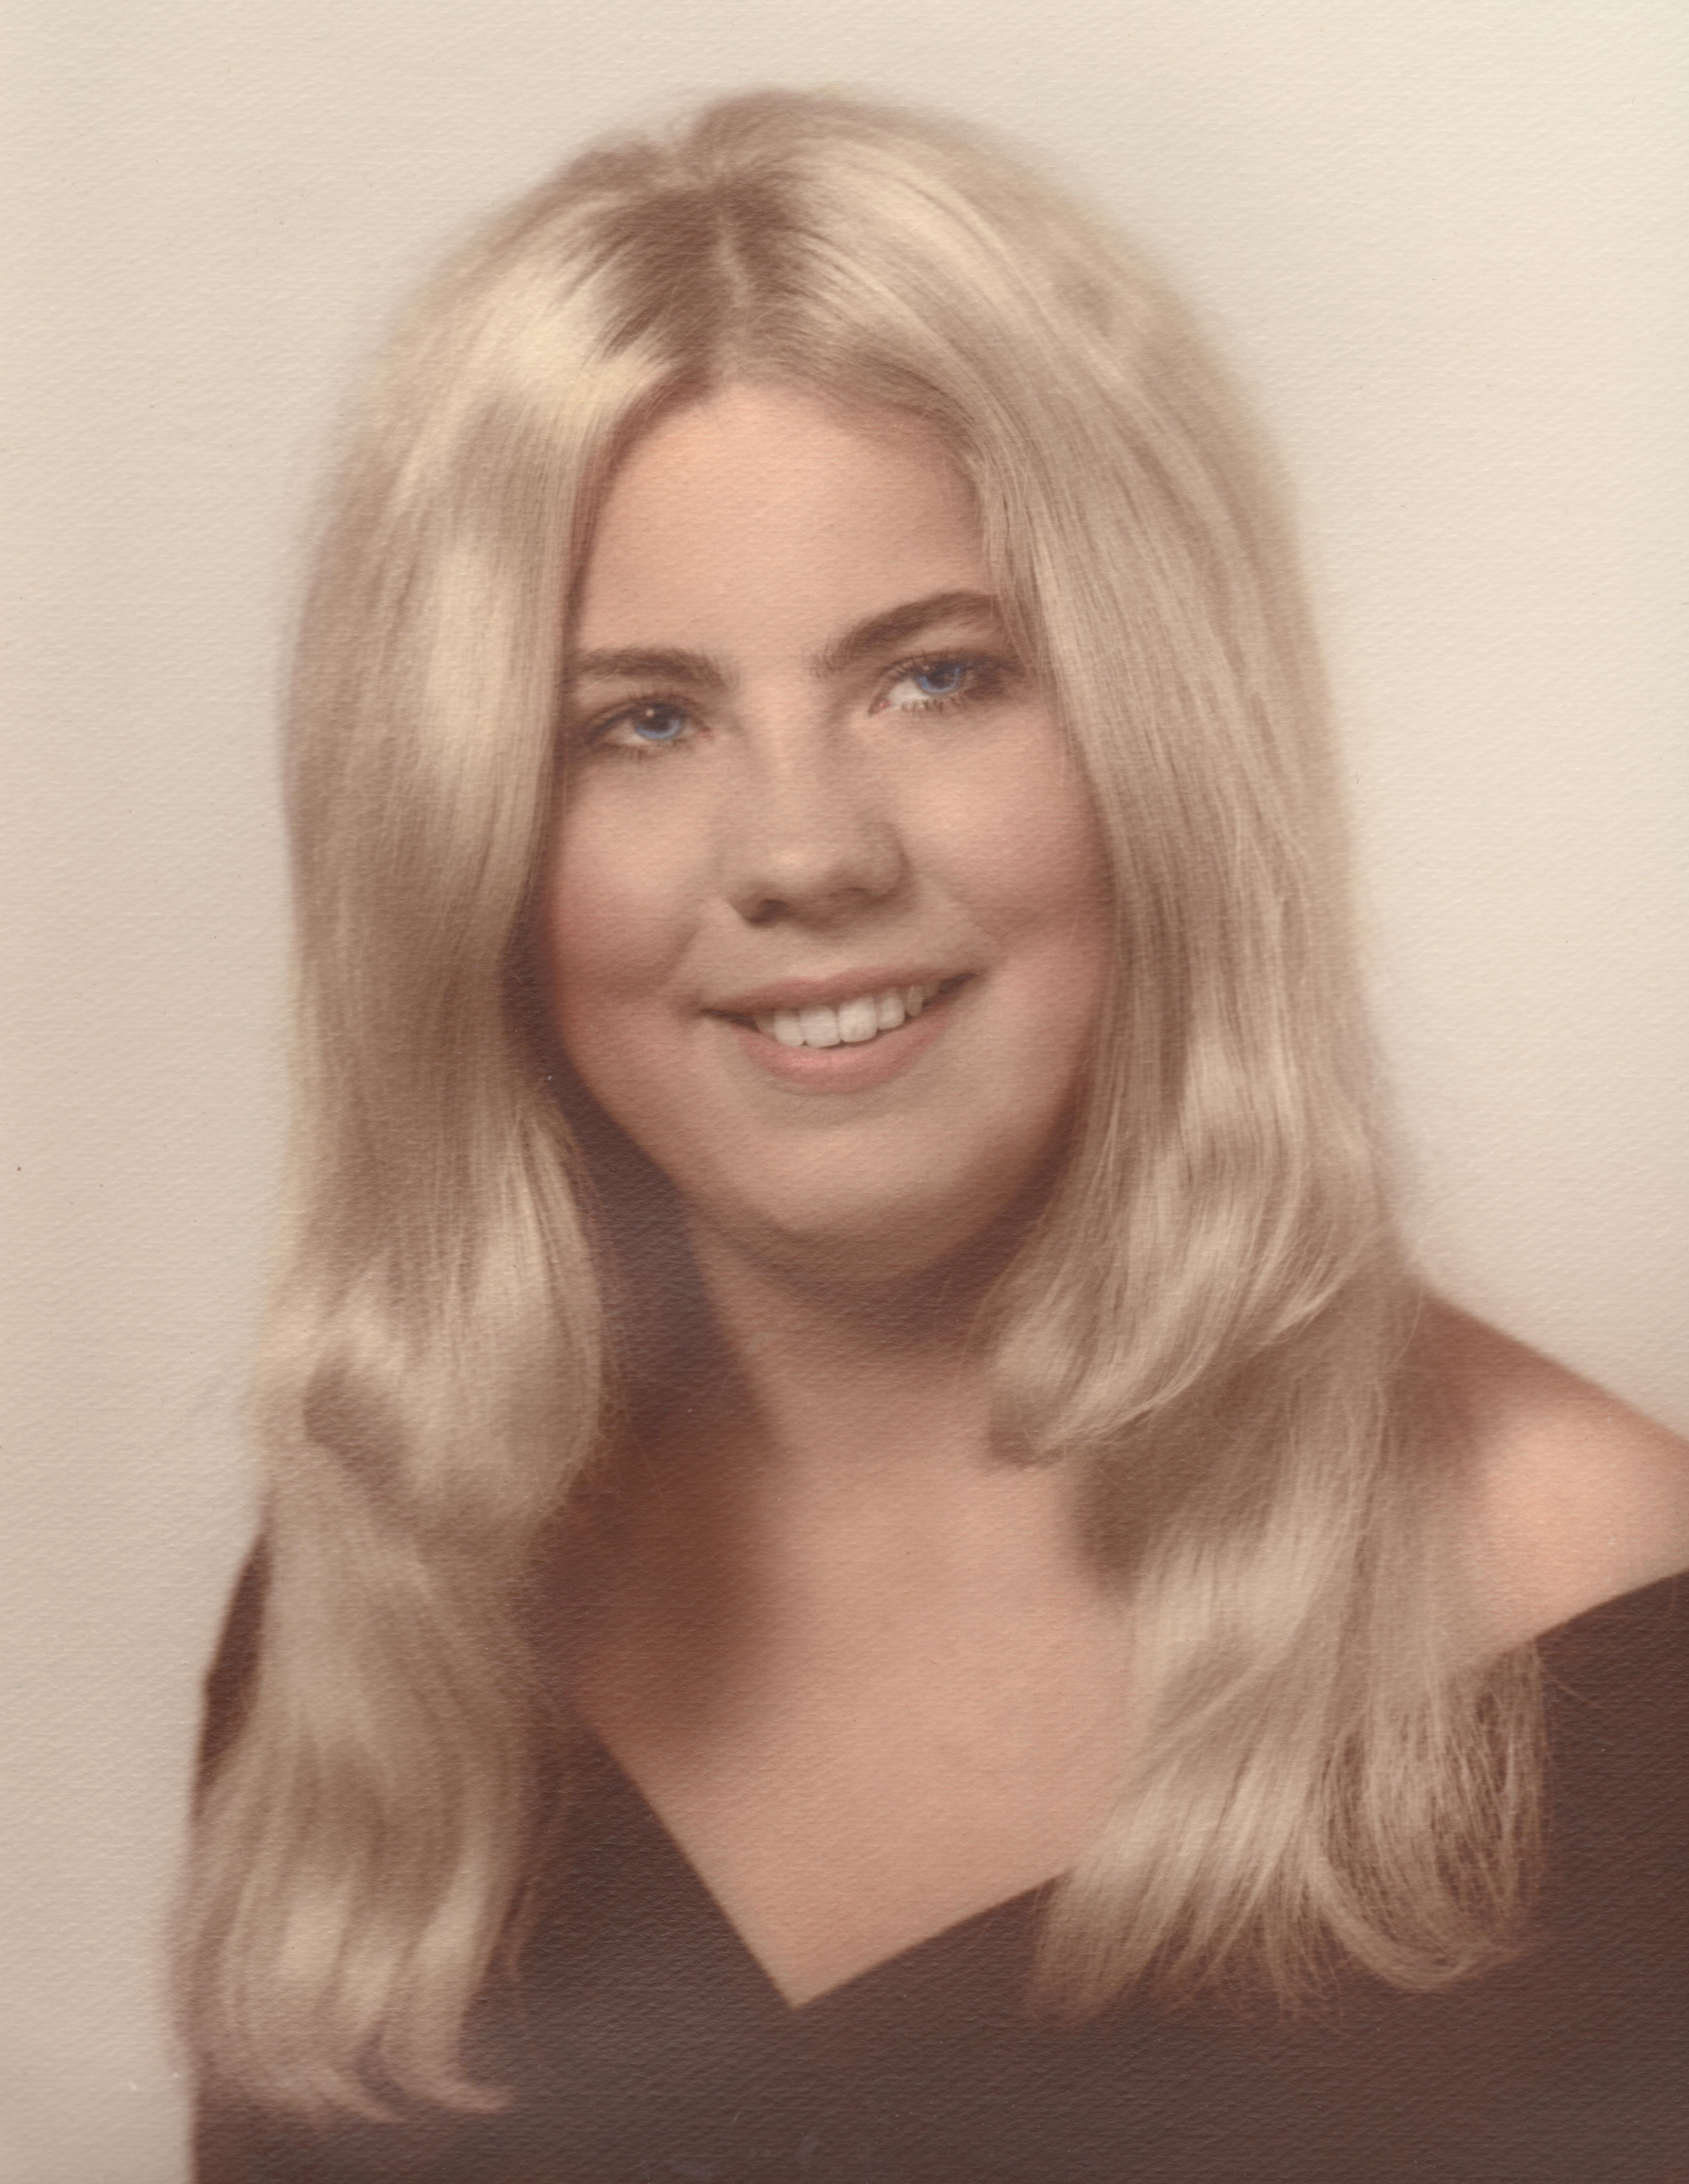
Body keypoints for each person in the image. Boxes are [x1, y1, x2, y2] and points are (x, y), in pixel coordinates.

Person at [183, 89, 1689, 2182]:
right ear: (470, 858)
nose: (806, 852)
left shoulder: (1618, 1638)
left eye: (938, 678)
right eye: (642, 721)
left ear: (1162, 747)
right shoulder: (389, 1622)